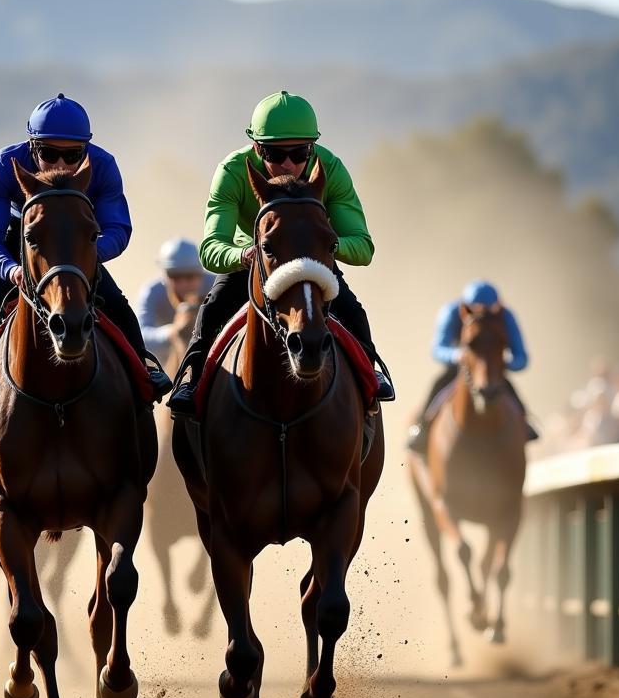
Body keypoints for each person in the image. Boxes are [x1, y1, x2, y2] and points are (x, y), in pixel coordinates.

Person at [0, 94, 172, 419]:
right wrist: (11, 270)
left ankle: (144, 373)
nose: (60, 164)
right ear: (32, 147)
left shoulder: (103, 166)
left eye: (72, 155)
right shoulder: (3, 166)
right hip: (21, 239)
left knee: (118, 304)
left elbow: (118, 228)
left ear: (86, 149)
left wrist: (86, 254)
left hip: (76, 244)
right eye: (49, 153)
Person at [167, 91, 394, 416]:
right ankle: (191, 379)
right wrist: (244, 255)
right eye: (275, 153)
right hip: (259, 257)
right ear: (257, 148)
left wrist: (325, 245)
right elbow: (211, 248)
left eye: (299, 152)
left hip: (313, 260)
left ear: (312, 148)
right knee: (214, 307)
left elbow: (362, 246)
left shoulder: (330, 169)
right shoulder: (232, 172)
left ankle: (369, 376)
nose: (287, 163)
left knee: (351, 310)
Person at [406, 280, 535, 453]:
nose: (484, 316)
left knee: (511, 391)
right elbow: (437, 349)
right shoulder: (451, 312)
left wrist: (503, 363)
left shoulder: (506, 316)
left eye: (489, 312)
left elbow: (521, 357)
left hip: (494, 368)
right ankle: (422, 427)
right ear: (466, 308)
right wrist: (457, 355)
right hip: (460, 367)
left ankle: (525, 424)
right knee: (438, 384)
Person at [136, 238, 214, 371]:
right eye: (175, 276)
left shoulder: (215, 285)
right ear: (164, 275)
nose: (183, 284)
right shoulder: (152, 292)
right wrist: (173, 331)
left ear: (201, 273)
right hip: (166, 366)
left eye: (190, 276)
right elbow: (140, 336)